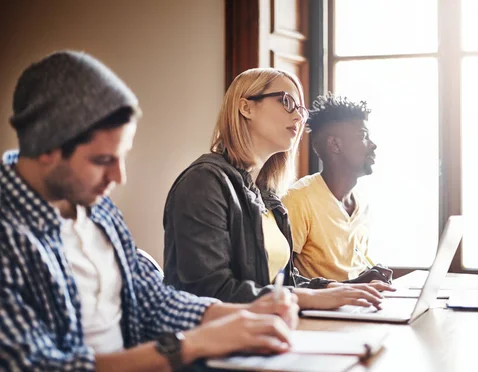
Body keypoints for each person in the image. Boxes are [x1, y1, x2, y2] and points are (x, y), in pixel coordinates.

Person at [0, 51, 299, 372]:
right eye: (102, 160)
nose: (118, 177)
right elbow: (35, 366)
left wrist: (245, 315)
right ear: (47, 150)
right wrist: (191, 345)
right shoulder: (10, 235)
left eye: (122, 156)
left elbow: (149, 298)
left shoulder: (95, 209)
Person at [163, 68, 394, 309]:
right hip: (221, 340)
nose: (298, 118)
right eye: (287, 102)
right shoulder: (204, 182)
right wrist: (313, 298)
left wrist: (337, 288)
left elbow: (281, 284)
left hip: (264, 330)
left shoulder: (265, 193)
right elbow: (209, 292)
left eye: (301, 111)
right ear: (246, 107)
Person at [282, 93, 392, 283]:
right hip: (318, 311)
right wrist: (352, 286)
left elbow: (354, 269)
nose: (373, 145)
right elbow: (282, 279)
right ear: (334, 144)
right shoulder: (298, 199)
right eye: (363, 136)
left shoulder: (362, 204)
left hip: (357, 308)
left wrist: (372, 275)